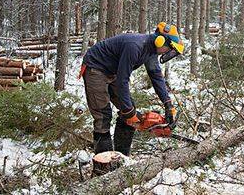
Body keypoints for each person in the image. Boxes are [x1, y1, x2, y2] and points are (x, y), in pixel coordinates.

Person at [79, 22, 185, 156]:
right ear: (161, 41)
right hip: (95, 68)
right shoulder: (135, 46)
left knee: (129, 110)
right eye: (170, 49)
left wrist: (168, 104)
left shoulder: (152, 52)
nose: (169, 52)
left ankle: (122, 156)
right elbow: (123, 80)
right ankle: (103, 166)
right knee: (103, 115)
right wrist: (129, 112)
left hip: (113, 71)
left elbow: (156, 77)